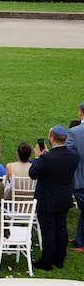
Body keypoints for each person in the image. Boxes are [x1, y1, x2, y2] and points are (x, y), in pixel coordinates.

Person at [29, 126, 80, 270]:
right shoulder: (73, 155)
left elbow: (33, 173)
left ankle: (47, 261)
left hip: (48, 199)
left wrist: (38, 157)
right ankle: (59, 258)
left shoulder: (46, 159)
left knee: (49, 230)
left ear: (51, 139)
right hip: (64, 197)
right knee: (61, 227)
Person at [67, 104, 84, 253]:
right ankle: (79, 240)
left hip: (79, 178)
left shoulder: (74, 132)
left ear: (80, 113)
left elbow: (64, 153)